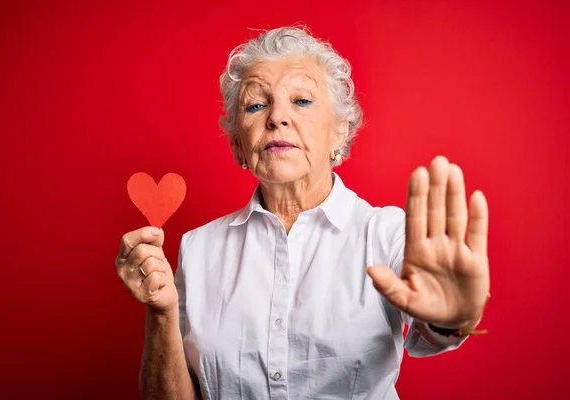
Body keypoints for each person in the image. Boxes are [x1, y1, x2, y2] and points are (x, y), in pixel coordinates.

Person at [115, 26, 491, 399]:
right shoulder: (198, 249)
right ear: (238, 145)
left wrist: (451, 320)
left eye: (302, 101)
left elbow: (436, 324)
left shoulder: (389, 234)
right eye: (256, 104)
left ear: (340, 131)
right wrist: (161, 312)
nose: (277, 116)